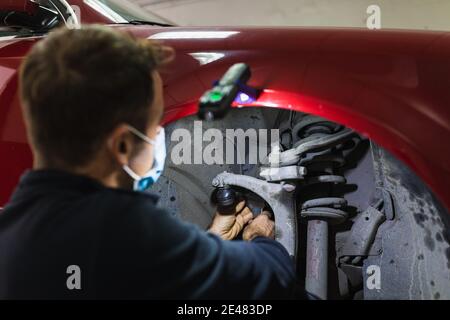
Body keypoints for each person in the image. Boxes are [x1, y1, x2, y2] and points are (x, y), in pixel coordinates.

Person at [0, 25, 295, 299]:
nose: (159, 136)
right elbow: (269, 276)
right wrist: (261, 240)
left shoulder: (10, 232)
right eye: (154, 127)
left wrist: (209, 240)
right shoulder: (133, 236)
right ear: (123, 144)